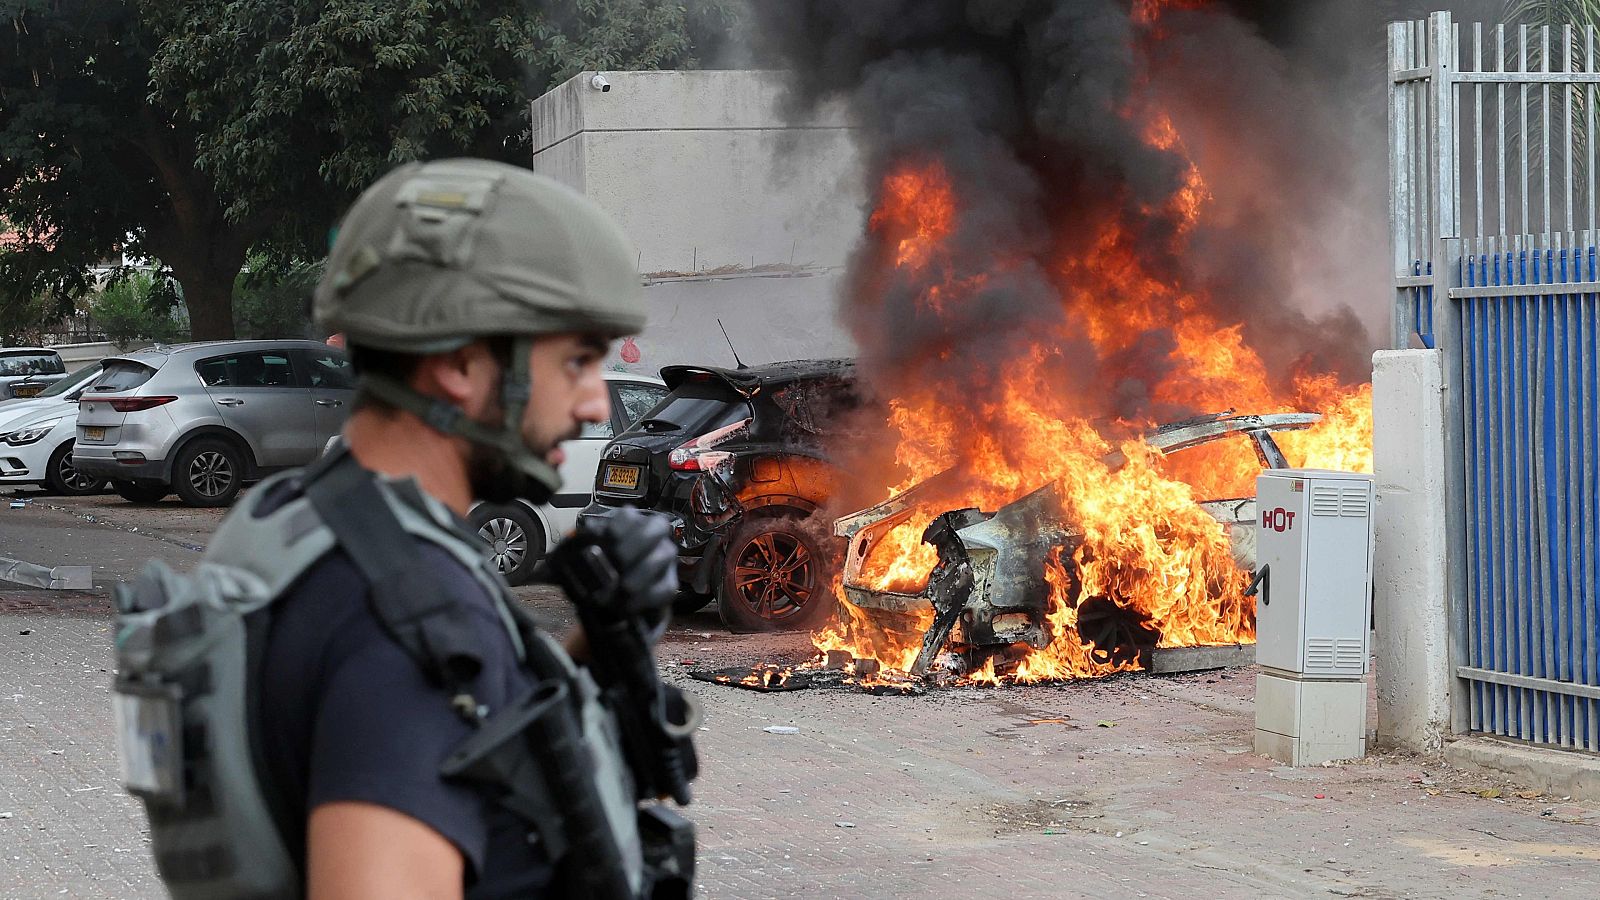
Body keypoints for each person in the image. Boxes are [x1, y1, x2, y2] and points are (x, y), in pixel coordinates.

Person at [117, 158, 695, 900]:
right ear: (460, 364)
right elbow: (405, 687)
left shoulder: (300, 514)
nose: (591, 404)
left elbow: (456, 740)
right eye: (577, 361)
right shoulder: (409, 618)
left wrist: (598, 639)